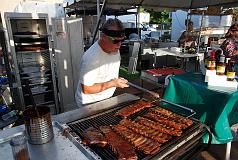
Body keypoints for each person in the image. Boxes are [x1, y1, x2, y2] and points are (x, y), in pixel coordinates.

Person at [75, 18, 129, 106]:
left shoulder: (115, 49)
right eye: (115, 41)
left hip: (107, 98)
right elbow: (86, 89)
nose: (119, 45)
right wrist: (113, 83)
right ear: (103, 36)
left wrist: (116, 81)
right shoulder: (91, 58)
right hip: (89, 103)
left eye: (121, 40)